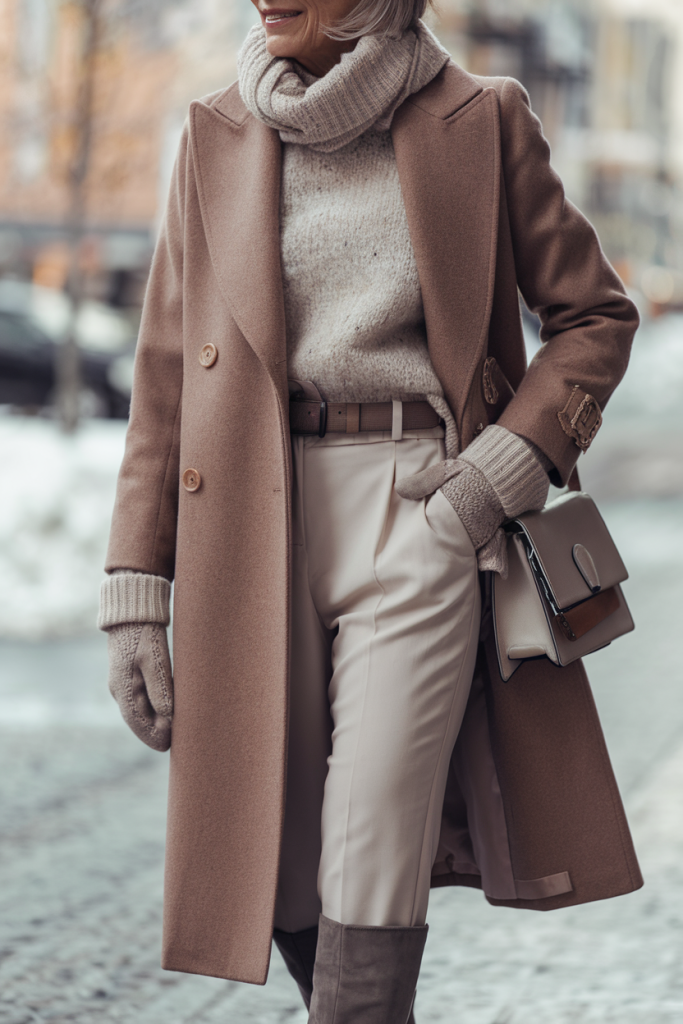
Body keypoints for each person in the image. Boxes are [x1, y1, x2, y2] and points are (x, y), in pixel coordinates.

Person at [98, 1, 642, 1021]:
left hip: (420, 512)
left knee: (370, 844)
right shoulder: (214, 132)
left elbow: (593, 315)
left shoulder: (479, 118)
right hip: (250, 531)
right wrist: (136, 591)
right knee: (283, 860)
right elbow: (166, 381)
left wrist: (496, 474)